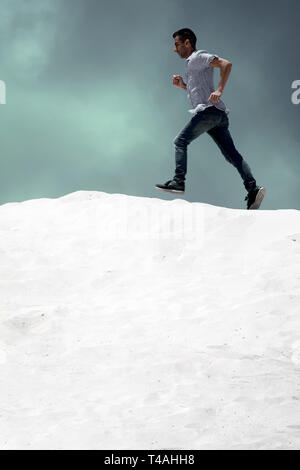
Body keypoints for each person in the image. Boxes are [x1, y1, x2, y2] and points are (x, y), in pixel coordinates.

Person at [155, 28, 266, 210]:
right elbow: (200, 93)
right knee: (232, 155)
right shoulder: (192, 64)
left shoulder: (198, 57)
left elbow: (226, 64)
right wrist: (183, 86)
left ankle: (178, 181)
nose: (175, 49)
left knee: (180, 142)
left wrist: (220, 90)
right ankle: (253, 188)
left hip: (209, 113)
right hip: (217, 116)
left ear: (188, 42)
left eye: (177, 45)